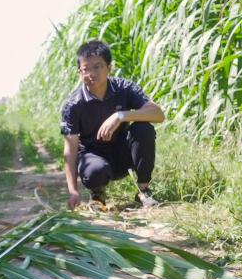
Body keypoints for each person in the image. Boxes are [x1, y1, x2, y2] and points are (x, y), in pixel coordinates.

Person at [60, 40, 165, 209]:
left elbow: (158, 114)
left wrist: (120, 116)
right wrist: (73, 191)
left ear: (109, 67)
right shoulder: (73, 105)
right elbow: (70, 150)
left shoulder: (124, 88)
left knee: (143, 128)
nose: (91, 73)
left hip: (123, 153)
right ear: (80, 72)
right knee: (94, 171)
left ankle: (143, 191)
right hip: (94, 157)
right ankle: (97, 194)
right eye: (86, 69)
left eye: (98, 66)